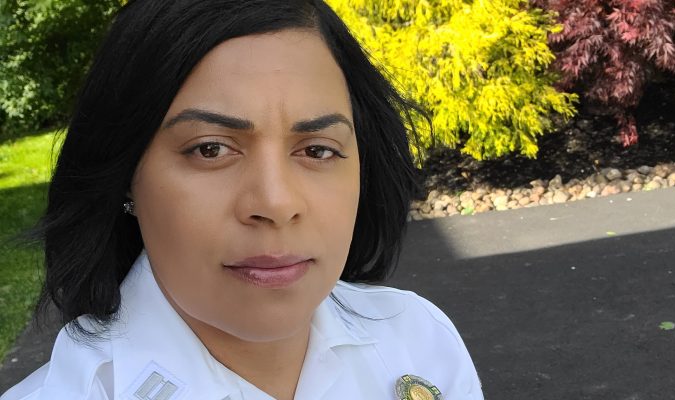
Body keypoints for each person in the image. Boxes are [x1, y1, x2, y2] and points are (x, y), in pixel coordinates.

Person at [1, 1, 483, 399]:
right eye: (210, 149)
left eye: (317, 149)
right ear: (125, 172)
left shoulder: (419, 340)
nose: (275, 202)